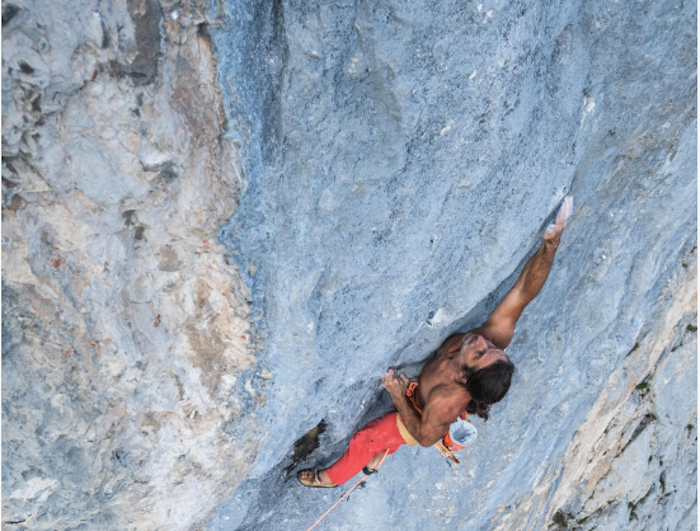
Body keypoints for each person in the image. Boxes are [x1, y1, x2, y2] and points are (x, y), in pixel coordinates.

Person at [298, 197, 574, 488]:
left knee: (365, 439)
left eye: (480, 352)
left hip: (416, 420)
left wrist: (398, 396)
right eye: (491, 348)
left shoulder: (445, 401)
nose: (482, 340)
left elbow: (425, 438)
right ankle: (381, 452)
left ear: (466, 377)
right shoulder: (488, 344)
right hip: (424, 397)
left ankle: (328, 479)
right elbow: (522, 294)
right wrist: (550, 247)